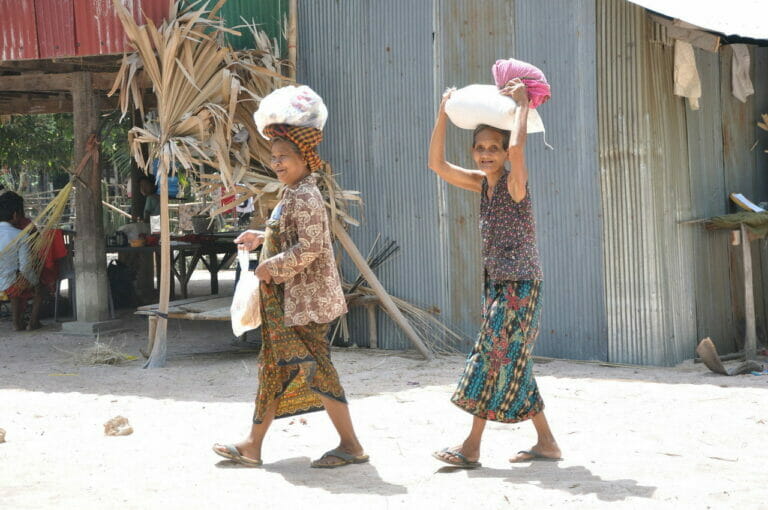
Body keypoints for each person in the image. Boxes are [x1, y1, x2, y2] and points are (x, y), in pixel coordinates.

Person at [212, 123, 367, 469]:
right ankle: (252, 445)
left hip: (307, 303)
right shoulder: (292, 193)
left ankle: (352, 445)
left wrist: (270, 266)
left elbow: (311, 247)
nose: (277, 163)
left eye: (284, 157)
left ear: (305, 159)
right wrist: (259, 235)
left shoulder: (306, 195)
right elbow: (286, 232)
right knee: (274, 369)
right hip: (289, 302)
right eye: (274, 157)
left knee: (317, 369)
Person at [428, 78, 561, 468]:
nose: (486, 154)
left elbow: (519, 147)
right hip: (498, 286)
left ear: (504, 154)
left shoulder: (515, 184)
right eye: (481, 148)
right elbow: (436, 164)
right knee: (513, 361)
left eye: (494, 149)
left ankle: (470, 447)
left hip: (520, 286)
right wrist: (443, 113)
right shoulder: (481, 185)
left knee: (491, 358)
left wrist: (521, 105)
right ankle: (547, 443)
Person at [0, 191, 44, 331]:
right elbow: (25, 267)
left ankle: (16, 323)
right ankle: (32, 323)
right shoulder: (20, 235)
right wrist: (35, 281)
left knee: (15, 278)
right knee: (40, 286)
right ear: (15, 214)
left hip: (6, 282)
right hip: (8, 285)